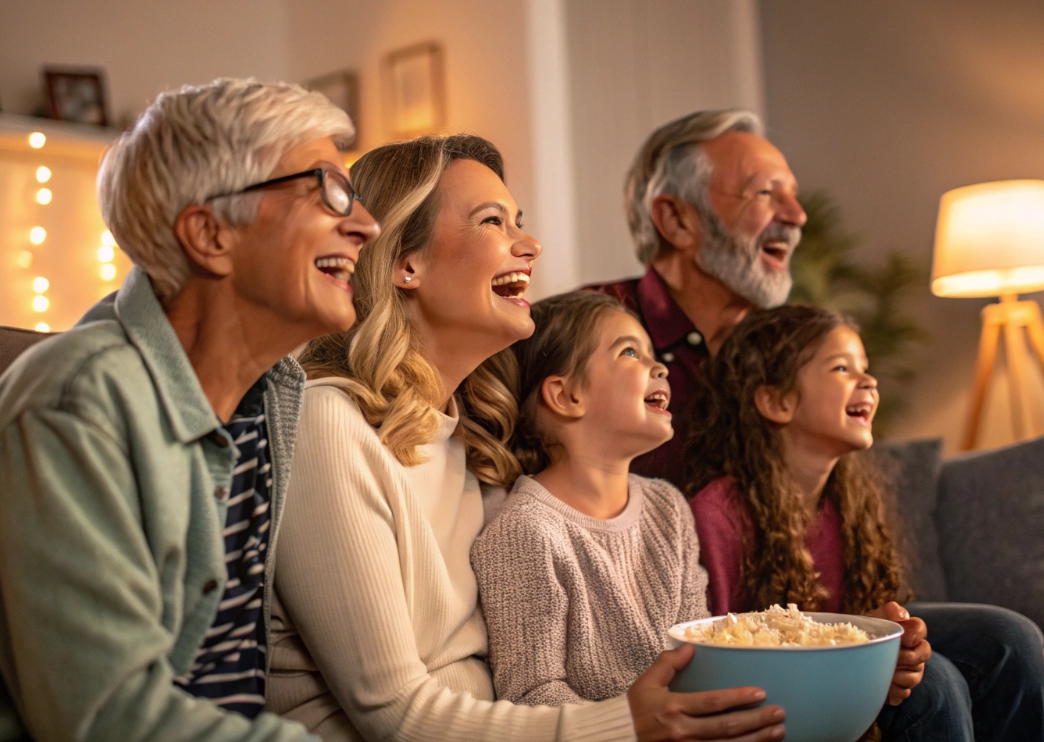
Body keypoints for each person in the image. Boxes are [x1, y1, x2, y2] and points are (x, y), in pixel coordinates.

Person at [268, 134, 787, 742]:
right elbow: (392, 714)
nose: (530, 245)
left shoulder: (476, 443)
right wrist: (629, 725)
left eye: (520, 221)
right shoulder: (329, 426)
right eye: (492, 221)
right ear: (405, 264)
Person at [0, 78, 379, 740]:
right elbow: (113, 721)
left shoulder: (271, 394)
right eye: (329, 190)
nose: (366, 224)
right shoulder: (76, 406)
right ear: (210, 233)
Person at [685, 305, 1044, 741]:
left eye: (866, 368)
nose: (869, 381)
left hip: (837, 657)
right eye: (842, 367)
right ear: (776, 401)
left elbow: (855, 614)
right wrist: (865, 657)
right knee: (936, 684)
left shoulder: (848, 500)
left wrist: (886, 635)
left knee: (1011, 638)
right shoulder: (716, 515)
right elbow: (715, 658)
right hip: (781, 682)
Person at [472, 291, 710, 706]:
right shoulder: (524, 534)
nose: (659, 368)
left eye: (652, 353)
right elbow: (531, 692)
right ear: (566, 396)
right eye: (631, 352)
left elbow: (701, 651)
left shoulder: (669, 508)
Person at [586, 110, 805, 489]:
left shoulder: (792, 348)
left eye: (792, 195)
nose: (796, 215)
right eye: (765, 193)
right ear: (676, 220)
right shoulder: (583, 333)